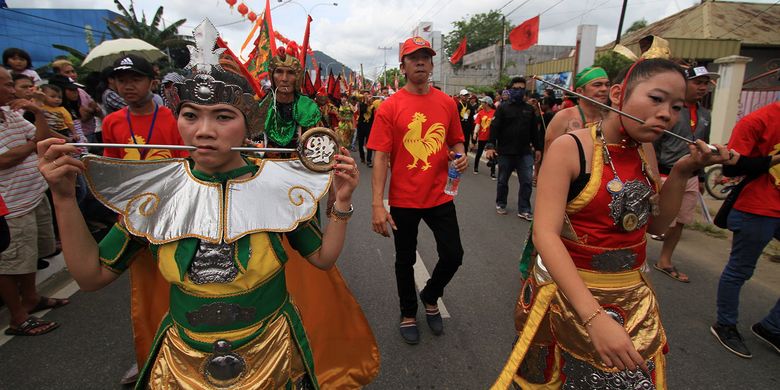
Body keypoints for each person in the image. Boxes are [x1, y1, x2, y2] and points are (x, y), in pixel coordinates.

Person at [35, 20, 375, 388]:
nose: (204, 130)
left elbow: (323, 259)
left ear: (248, 125)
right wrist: (64, 198)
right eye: (190, 115)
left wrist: (341, 203)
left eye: (223, 116)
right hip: (183, 362)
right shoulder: (155, 191)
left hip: (273, 352)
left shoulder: (278, 186)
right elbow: (91, 275)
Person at [491, 58, 731, 389]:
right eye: (656, 99)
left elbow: (657, 227)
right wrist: (594, 318)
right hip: (570, 294)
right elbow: (545, 234)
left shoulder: (645, 147)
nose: (666, 114)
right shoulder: (571, 147)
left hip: (632, 297)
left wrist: (683, 170)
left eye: (676, 106)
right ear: (618, 95)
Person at [368, 36, 467, 345]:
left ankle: (431, 294)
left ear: (432, 63)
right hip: (404, 199)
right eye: (414, 57)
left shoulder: (447, 103)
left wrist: (461, 156)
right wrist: (376, 205)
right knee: (404, 259)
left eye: (425, 56)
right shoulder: (390, 107)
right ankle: (408, 311)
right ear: (404, 66)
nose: (421, 61)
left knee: (453, 254)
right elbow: (381, 157)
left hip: (440, 196)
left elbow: (456, 141)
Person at [0, 67, 68, 337]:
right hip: (9, 206)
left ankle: (31, 298)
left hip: (33, 194)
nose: (12, 90)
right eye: (6, 84)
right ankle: (17, 317)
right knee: (10, 262)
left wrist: (38, 112)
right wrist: (32, 146)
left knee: (31, 257)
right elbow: (4, 160)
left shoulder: (10, 114)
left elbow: (44, 137)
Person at [710, 101, 780, 359]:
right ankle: (725, 324)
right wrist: (772, 160)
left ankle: (771, 327)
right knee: (741, 269)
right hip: (756, 208)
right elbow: (732, 166)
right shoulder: (757, 121)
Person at [651, 65, 718, 283]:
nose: (702, 87)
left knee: (680, 221)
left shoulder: (705, 115)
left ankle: (665, 260)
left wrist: (700, 177)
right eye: (698, 82)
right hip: (663, 174)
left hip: (689, 176)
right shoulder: (666, 112)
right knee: (653, 221)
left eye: (705, 83)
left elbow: (703, 147)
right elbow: (652, 143)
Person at [101, 55, 187, 160]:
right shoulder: (110, 122)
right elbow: (111, 163)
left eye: (136, 80)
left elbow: (186, 162)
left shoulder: (176, 119)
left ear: (152, 83)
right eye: (121, 81)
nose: (128, 87)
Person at [485, 76, 540, 220]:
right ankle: (501, 203)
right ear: (510, 90)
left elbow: (534, 131)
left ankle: (524, 209)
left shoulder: (529, 110)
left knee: (527, 182)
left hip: (524, 153)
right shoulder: (502, 108)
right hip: (505, 152)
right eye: (516, 89)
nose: (519, 91)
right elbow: (494, 128)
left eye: (522, 89)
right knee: (503, 180)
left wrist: (538, 148)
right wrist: (490, 146)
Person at [261, 46, 320, 149]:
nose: (284, 79)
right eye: (279, 72)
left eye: (290, 73)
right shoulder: (261, 109)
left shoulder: (310, 109)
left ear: (297, 77)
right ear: (272, 76)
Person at [543, 66, 610, 153]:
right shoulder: (563, 117)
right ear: (580, 91)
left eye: (607, 85)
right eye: (597, 85)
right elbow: (549, 154)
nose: (604, 89)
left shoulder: (609, 117)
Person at [472, 96, 496, 178]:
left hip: (491, 137)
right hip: (482, 136)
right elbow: (478, 124)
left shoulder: (495, 113)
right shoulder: (481, 113)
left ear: (487, 104)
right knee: (479, 152)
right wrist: (475, 133)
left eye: (483, 102)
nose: (481, 104)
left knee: (492, 154)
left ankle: (493, 172)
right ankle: (475, 167)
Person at [356, 90, 374, 166]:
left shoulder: (373, 105)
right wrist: (366, 102)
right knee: (360, 143)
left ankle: (369, 160)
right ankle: (362, 157)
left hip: (369, 126)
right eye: (365, 95)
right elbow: (363, 111)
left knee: (369, 143)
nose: (366, 96)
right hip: (361, 126)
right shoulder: (360, 104)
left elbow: (373, 116)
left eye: (368, 95)